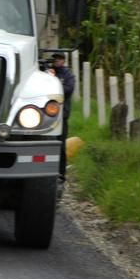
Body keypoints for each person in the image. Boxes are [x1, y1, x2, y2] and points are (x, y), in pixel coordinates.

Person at [49, 52, 76, 183]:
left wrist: (53, 83)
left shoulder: (67, 74)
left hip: (61, 115)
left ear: (63, 60)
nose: (56, 61)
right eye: (55, 59)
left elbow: (69, 89)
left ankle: (61, 174)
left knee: (60, 145)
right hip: (46, 115)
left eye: (59, 59)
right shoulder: (47, 71)